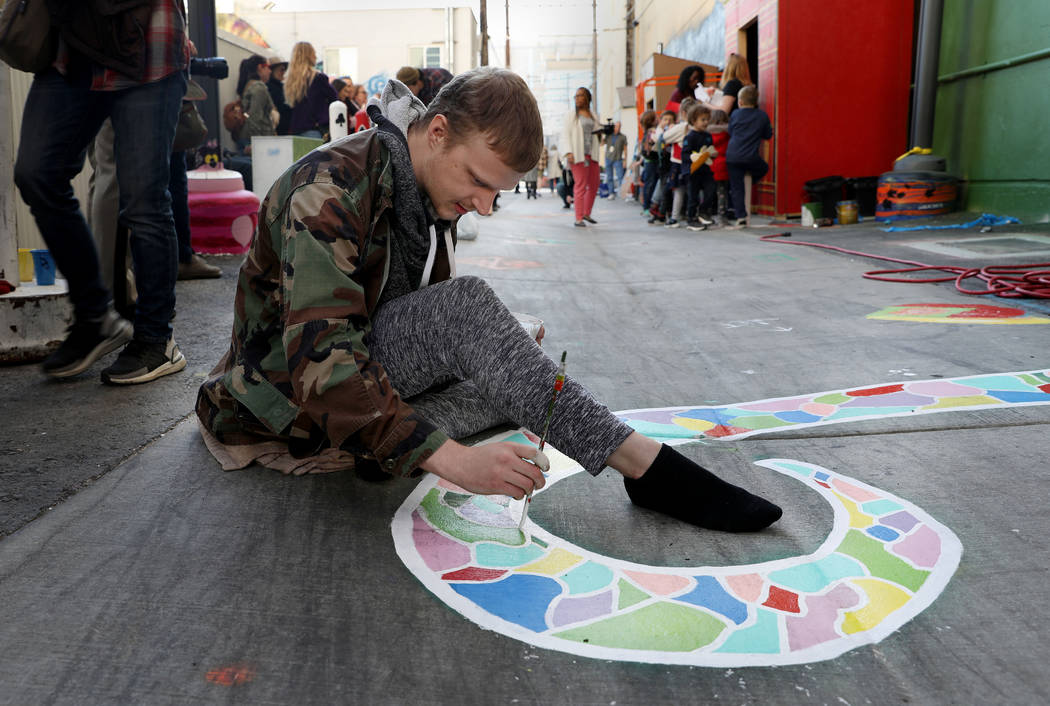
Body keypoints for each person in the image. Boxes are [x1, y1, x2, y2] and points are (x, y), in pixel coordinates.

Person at [195, 66, 782, 535]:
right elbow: (322, 362)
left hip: (352, 371)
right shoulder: (328, 187)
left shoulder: (422, 186)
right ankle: (640, 463)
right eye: (478, 182)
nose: (482, 206)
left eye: (495, 193)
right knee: (473, 317)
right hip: (280, 393)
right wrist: (454, 460)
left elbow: (406, 320)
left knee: (516, 341)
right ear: (438, 131)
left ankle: (384, 443)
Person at [14, 0, 189, 384]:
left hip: (149, 47)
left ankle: (156, 337)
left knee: (144, 201)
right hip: (71, 49)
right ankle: (96, 317)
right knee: (36, 172)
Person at [726, 85, 772, 226]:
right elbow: (767, 135)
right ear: (756, 102)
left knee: (736, 187)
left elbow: (730, 132)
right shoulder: (762, 115)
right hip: (750, 157)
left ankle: (741, 216)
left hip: (732, 156)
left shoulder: (734, 114)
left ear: (740, 102)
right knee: (763, 168)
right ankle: (751, 180)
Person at [559, 86, 601, 228]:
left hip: (592, 154)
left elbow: (597, 134)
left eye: (580, 95)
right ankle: (578, 218)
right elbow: (565, 134)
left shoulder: (594, 115)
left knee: (594, 184)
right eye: (575, 96)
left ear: (587, 98)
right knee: (581, 185)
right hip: (577, 155)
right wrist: (568, 152)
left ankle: (586, 213)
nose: (577, 98)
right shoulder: (571, 115)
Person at [286, 41, 338, 138]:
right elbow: (335, 99)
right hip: (315, 129)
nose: (316, 57)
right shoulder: (318, 78)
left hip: (296, 131)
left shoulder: (290, 81)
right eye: (314, 53)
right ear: (308, 56)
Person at [680, 103, 716, 231]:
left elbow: (710, 150)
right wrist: (694, 157)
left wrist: (712, 154)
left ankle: (703, 212)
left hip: (705, 170)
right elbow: (684, 155)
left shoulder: (707, 136)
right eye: (703, 119)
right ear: (693, 121)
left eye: (707, 119)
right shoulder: (690, 137)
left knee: (711, 190)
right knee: (693, 195)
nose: (706, 122)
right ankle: (691, 219)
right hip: (692, 171)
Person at [708, 109, 732, 224]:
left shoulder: (707, 133)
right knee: (722, 192)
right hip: (724, 164)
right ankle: (722, 216)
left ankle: (707, 214)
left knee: (709, 192)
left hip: (711, 164)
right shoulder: (728, 133)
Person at [637, 110, 658, 212]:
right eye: (656, 117)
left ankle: (646, 206)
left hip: (648, 161)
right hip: (652, 161)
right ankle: (647, 207)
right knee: (650, 184)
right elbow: (648, 149)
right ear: (653, 121)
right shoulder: (652, 132)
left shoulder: (646, 132)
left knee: (649, 184)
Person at [266, 56, 292, 135]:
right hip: (277, 130)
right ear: (272, 71)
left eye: (284, 70)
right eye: (281, 70)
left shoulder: (281, 87)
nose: (283, 72)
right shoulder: (270, 87)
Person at [603, 121, 627, 199]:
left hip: (618, 159)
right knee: (609, 177)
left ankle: (622, 193)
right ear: (613, 127)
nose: (618, 128)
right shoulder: (608, 135)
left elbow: (625, 149)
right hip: (608, 158)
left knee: (620, 177)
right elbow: (601, 143)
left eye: (619, 126)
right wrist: (603, 133)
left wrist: (625, 160)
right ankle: (611, 193)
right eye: (616, 126)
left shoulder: (623, 137)